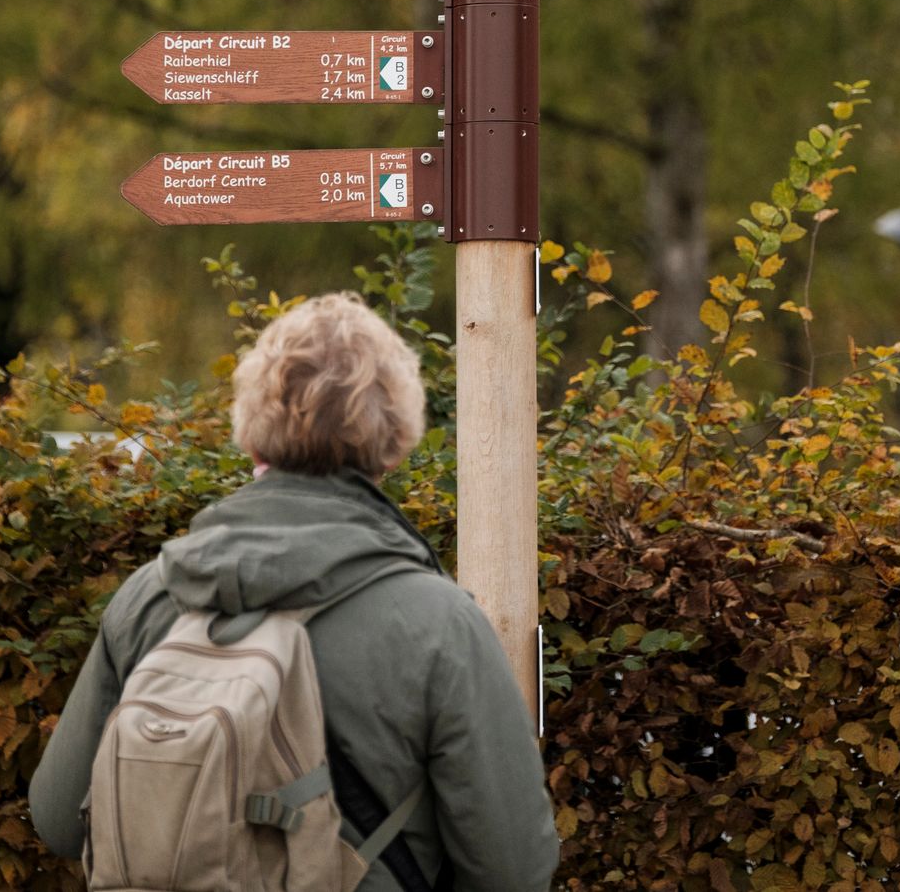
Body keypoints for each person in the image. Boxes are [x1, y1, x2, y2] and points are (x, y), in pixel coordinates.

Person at [29, 291, 560, 892]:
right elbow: (514, 870)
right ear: (392, 444)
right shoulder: (438, 622)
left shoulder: (151, 595)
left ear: (252, 438)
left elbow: (58, 822)